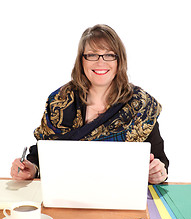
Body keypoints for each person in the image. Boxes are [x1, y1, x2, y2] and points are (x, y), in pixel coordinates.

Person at [11, 24, 169, 184]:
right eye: (92, 55)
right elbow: (42, 154)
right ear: (81, 61)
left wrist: (158, 172)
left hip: (120, 195)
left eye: (109, 55)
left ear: (119, 61)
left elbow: (160, 162)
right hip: (66, 193)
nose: (100, 62)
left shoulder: (140, 105)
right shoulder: (60, 101)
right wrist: (31, 169)